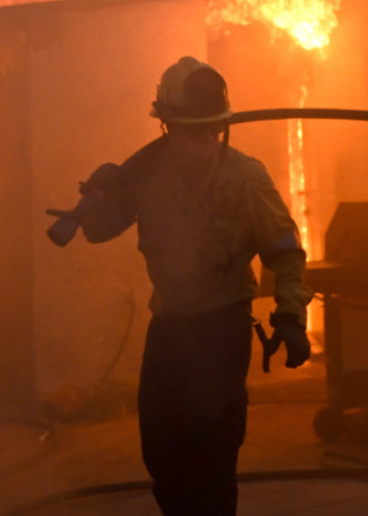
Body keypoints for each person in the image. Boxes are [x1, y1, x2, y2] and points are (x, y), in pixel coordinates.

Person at [48, 56, 313, 515]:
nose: (208, 140)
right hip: (170, 325)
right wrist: (98, 196)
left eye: (216, 129)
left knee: (211, 453)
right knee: (162, 448)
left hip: (222, 326)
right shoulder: (147, 173)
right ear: (167, 126)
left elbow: (285, 250)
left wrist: (290, 314)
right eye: (195, 131)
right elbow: (101, 229)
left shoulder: (245, 177)